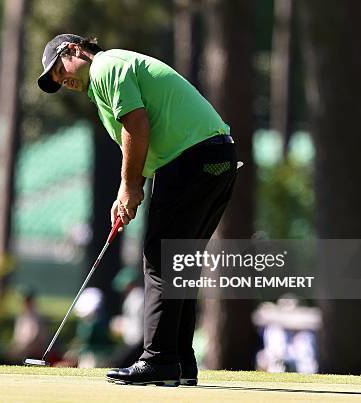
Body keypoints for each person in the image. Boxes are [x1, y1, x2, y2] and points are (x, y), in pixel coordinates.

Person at [37, 34, 238, 386]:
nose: (62, 81)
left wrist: (128, 187)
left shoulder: (105, 67)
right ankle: (179, 362)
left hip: (191, 158)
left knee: (161, 258)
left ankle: (158, 359)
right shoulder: (106, 80)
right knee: (179, 262)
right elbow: (141, 144)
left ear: (74, 50)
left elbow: (136, 125)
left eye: (59, 69)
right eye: (56, 81)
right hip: (217, 157)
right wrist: (128, 192)